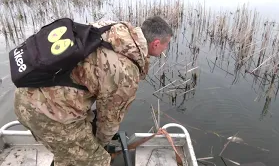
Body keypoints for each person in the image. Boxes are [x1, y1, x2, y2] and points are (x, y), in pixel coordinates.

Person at [13, 16, 173, 166]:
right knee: (99, 161)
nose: (166, 48)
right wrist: (98, 147)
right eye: (167, 44)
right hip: (46, 113)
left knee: (74, 149)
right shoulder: (127, 72)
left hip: (25, 95)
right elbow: (109, 123)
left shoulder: (111, 27)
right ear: (156, 43)